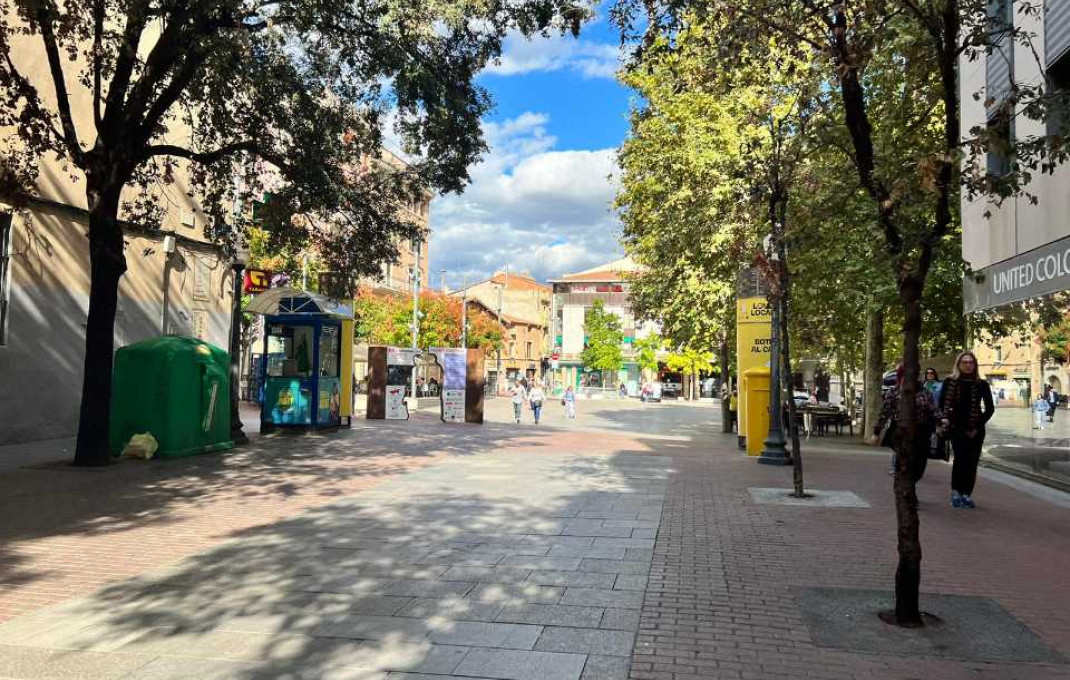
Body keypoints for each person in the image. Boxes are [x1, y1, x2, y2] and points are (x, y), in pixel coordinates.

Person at [940, 351, 995, 509]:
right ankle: (956, 492)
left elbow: (990, 408)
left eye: (971, 362)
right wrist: (943, 422)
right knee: (959, 460)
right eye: (964, 362)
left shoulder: (981, 384)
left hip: (975, 428)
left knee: (972, 462)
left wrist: (977, 426)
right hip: (956, 427)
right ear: (959, 364)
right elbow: (942, 404)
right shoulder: (950, 382)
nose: (968, 365)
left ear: (975, 365)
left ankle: (967, 494)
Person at [874, 364, 939, 480]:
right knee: (903, 463)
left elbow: (934, 410)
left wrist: (942, 420)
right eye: (906, 375)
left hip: (921, 431)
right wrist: (876, 432)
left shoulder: (925, 393)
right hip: (901, 430)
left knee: (919, 465)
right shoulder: (894, 392)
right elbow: (885, 413)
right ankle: (904, 491)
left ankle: (911, 484)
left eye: (914, 375)